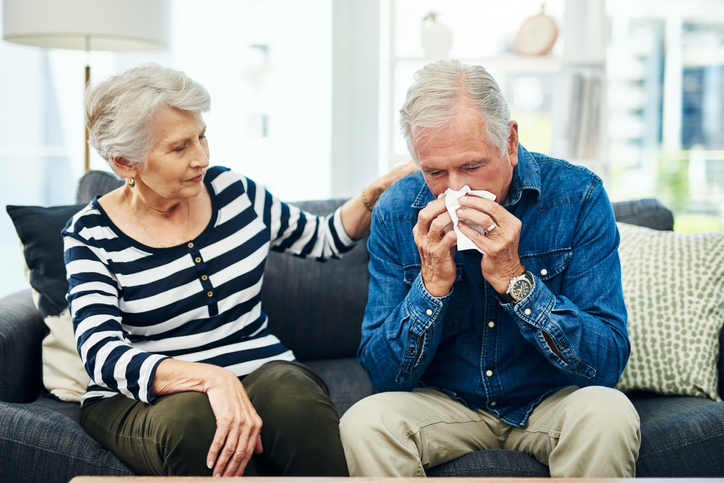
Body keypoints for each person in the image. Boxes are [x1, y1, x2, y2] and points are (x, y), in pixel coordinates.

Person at [62, 62, 415, 477]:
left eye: (202, 137)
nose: (201, 158)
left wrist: (372, 195)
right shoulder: (90, 233)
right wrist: (211, 379)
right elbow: (100, 352)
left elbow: (324, 239)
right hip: (143, 400)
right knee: (192, 421)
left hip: (257, 368)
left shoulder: (233, 191)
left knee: (293, 395)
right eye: (179, 148)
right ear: (125, 163)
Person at [339, 59, 641, 477]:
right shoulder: (396, 211)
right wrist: (431, 288)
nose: (454, 189)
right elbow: (382, 375)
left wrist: (517, 283)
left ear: (511, 142)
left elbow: (606, 362)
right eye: (435, 171)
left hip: (552, 401)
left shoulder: (578, 196)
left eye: (472, 166)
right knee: (365, 422)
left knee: (608, 412)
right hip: (445, 405)